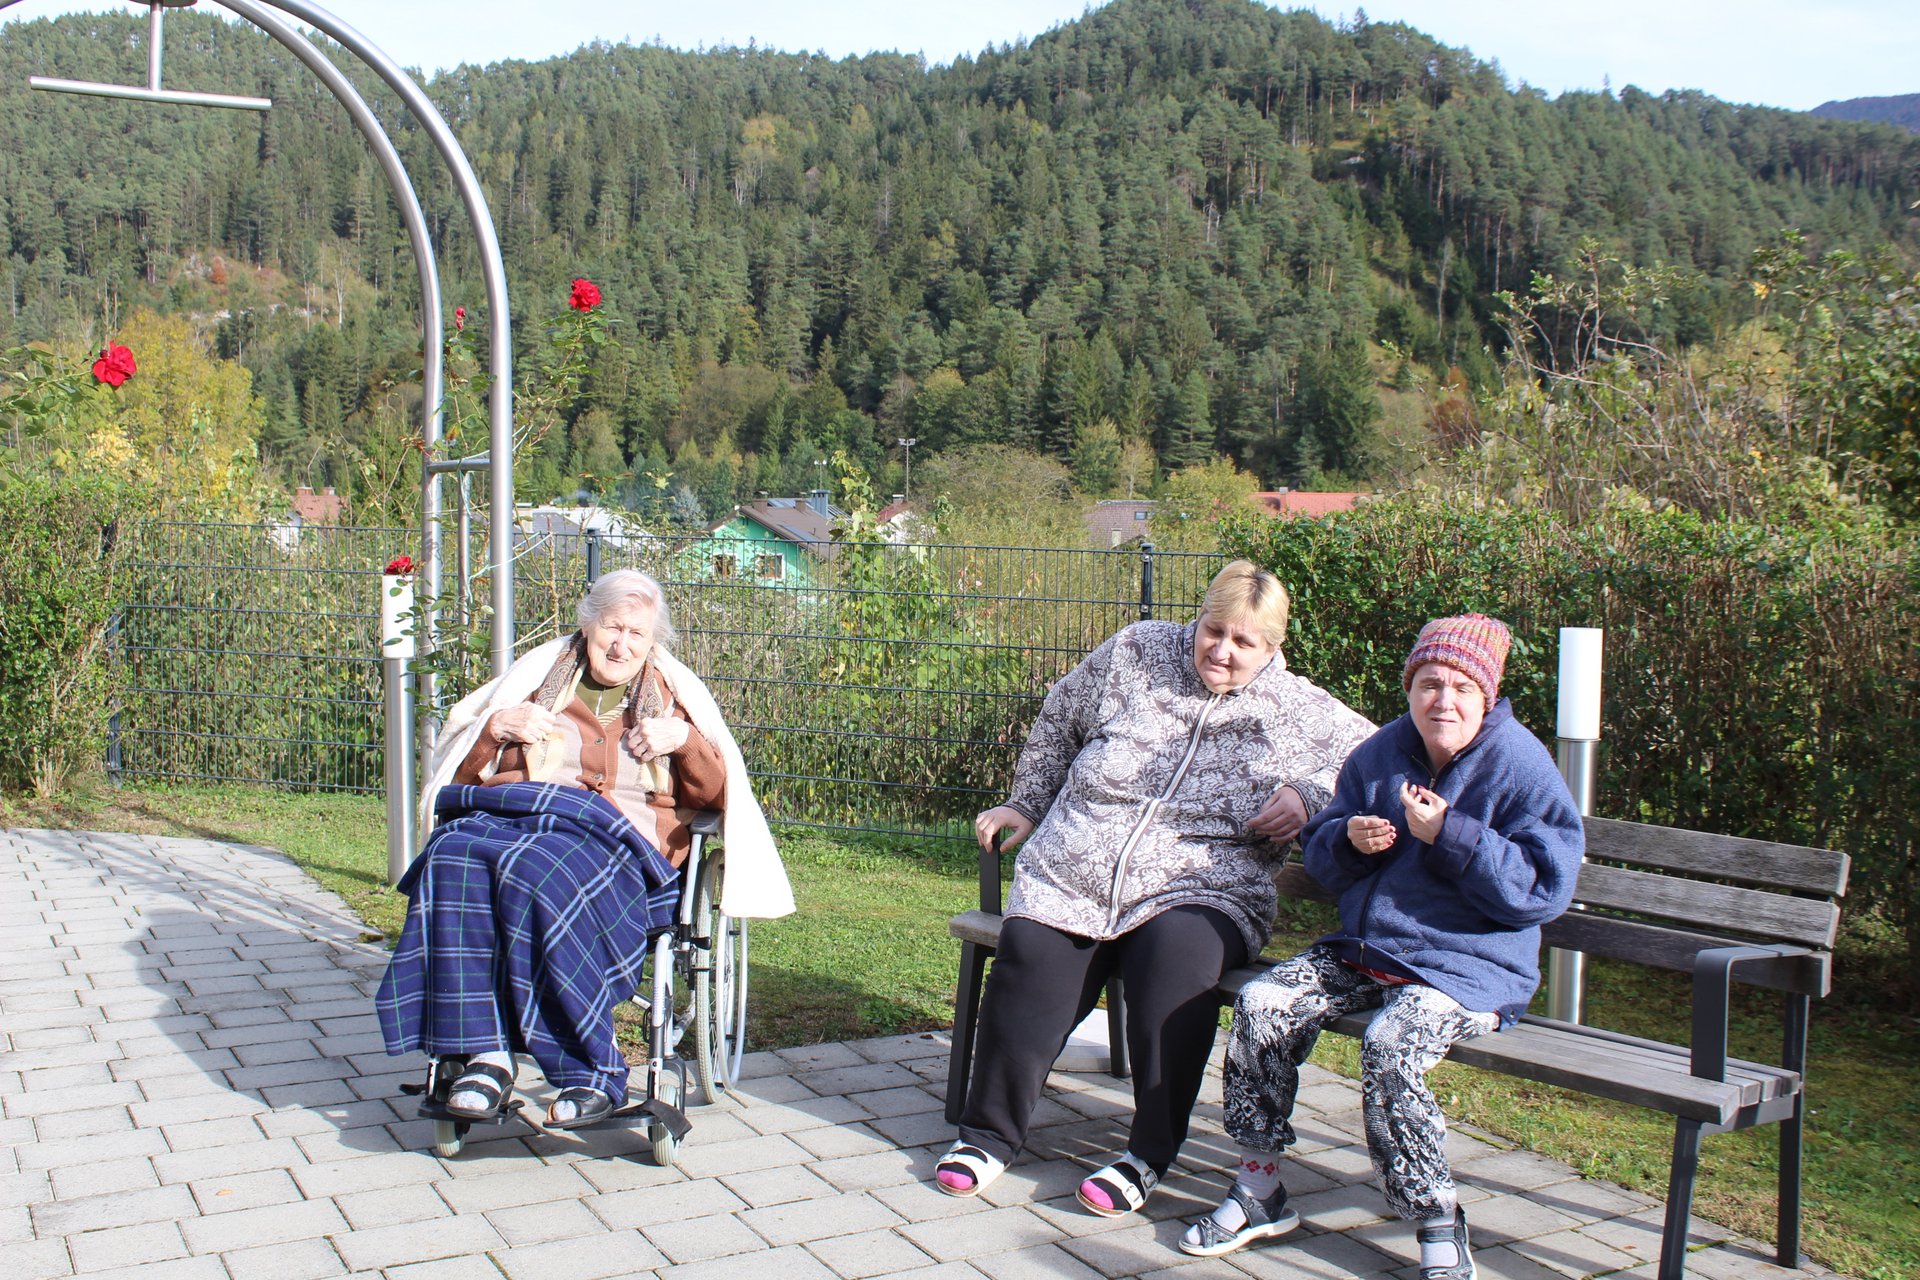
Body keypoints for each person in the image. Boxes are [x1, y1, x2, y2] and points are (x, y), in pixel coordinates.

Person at [935, 561, 1374, 1218]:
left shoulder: (1299, 709)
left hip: (1205, 885)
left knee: (1175, 969)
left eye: (1243, 642)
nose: (1221, 650)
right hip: (1077, 869)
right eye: (1212, 630)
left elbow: (1377, 756)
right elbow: (1060, 719)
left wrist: (1309, 794)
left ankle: (1147, 1154)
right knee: (1030, 956)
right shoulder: (1136, 652)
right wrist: (1025, 803)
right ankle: (987, 1136)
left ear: (1272, 647)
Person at [1181, 614, 1584, 1280]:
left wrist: (1451, 835)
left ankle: (1437, 1222)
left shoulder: (1520, 766)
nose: (1442, 701)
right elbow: (1325, 857)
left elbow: (1542, 889)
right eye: (1429, 684)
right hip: (1369, 952)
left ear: (1486, 696)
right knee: (1263, 1004)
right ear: (1410, 689)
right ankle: (1258, 1189)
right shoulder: (1381, 753)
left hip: (1467, 967)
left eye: (1460, 687)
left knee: (1392, 1043)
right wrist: (1346, 840)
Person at [375, 569, 793, 1130]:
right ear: (587, 624)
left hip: (618, 845)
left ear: (653, 641)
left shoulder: (674, 699)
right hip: (517, 817)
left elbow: (719, 798)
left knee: (538, 868)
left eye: (636, 633)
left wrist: (685, 742)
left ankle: (591, 1069)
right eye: (611, 628)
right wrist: (495, 729)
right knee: (451, 854)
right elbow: (462, 776)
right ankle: (486, 1056)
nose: (621, 644)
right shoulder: (536, 680)